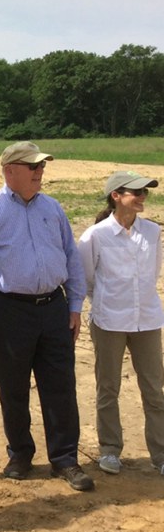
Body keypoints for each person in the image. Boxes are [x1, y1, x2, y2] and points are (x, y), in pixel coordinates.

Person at [0, 141, 94, 492]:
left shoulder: (52, 208)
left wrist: (74, 307)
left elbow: (71, 257)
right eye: (33, 167)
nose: (40, 172)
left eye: (41, 166)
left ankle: (66, 459)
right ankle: (21, 454)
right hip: (8, 310)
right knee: (12, 388)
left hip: (54, 308)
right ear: (10, 171)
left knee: (60, 385)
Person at [77, 170, 164, 476]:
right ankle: (110, 450)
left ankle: (161, 455)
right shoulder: (95, 236)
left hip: (148, 321)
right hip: (109, 321)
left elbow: (152, 274)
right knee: (108, 388)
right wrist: (105, 304)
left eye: (145, 192)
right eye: (136, 192)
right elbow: (86, 279)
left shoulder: (153, 233)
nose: (142, 197)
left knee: (155, 390)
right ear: (116, 196)